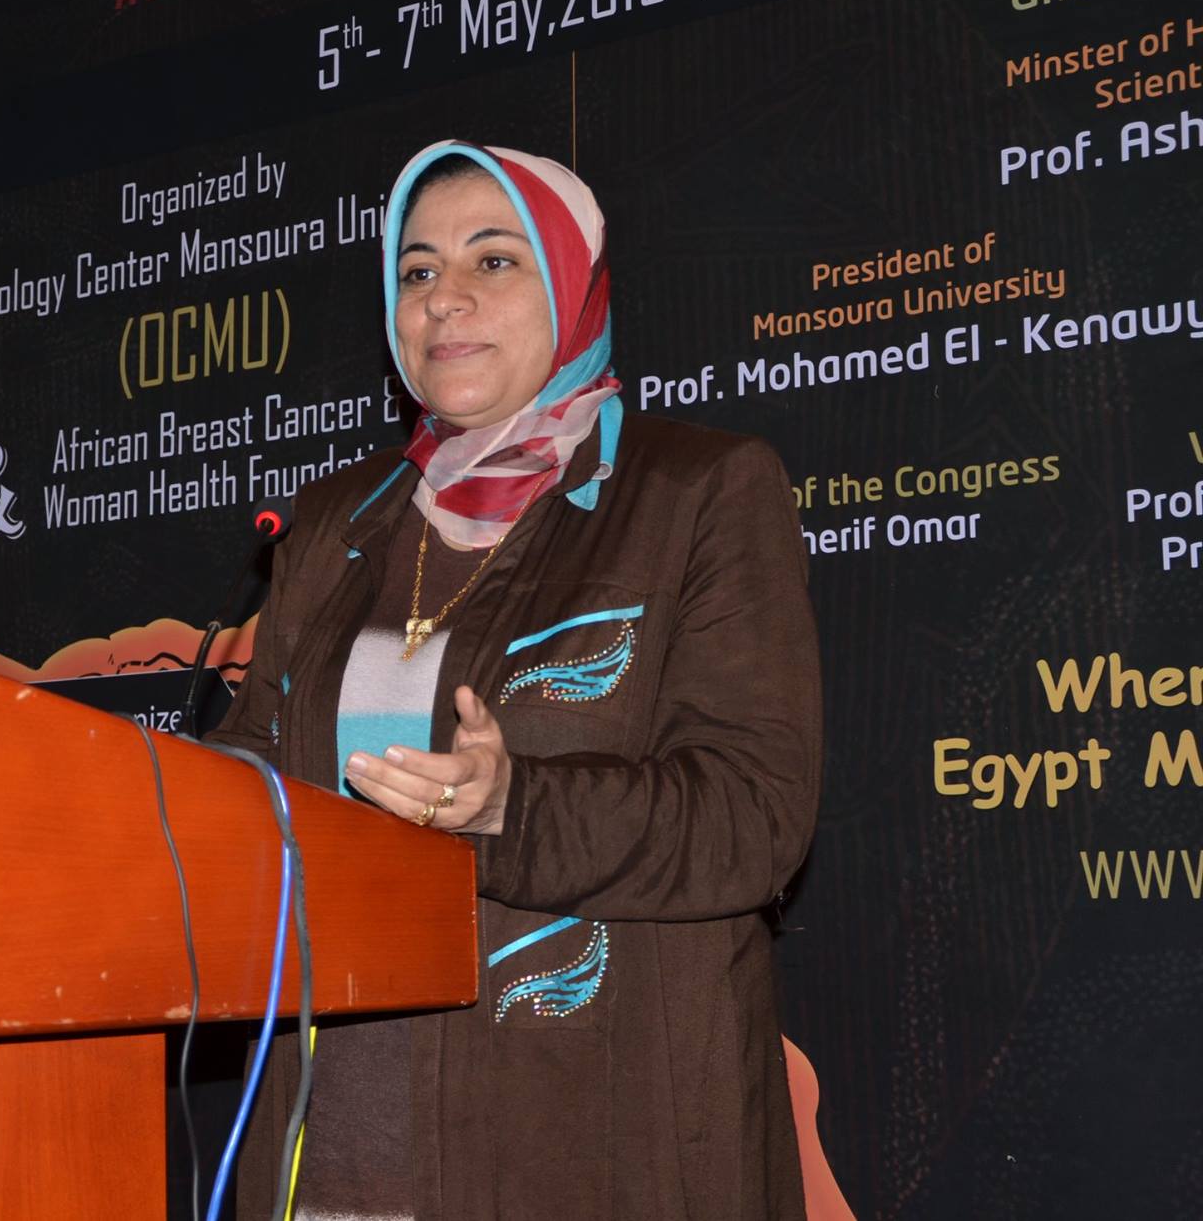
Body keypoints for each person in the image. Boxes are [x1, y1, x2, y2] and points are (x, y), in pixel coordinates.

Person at [208, 140, 821, 1220]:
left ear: (575, 287)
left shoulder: (695, 493)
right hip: (333, 1143)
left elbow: (752, 816)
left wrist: (511, 808)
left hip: (587, 1142)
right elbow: (254, 773)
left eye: (493, 260)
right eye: (416, 270)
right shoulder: (337, 524)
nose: (443, 297)